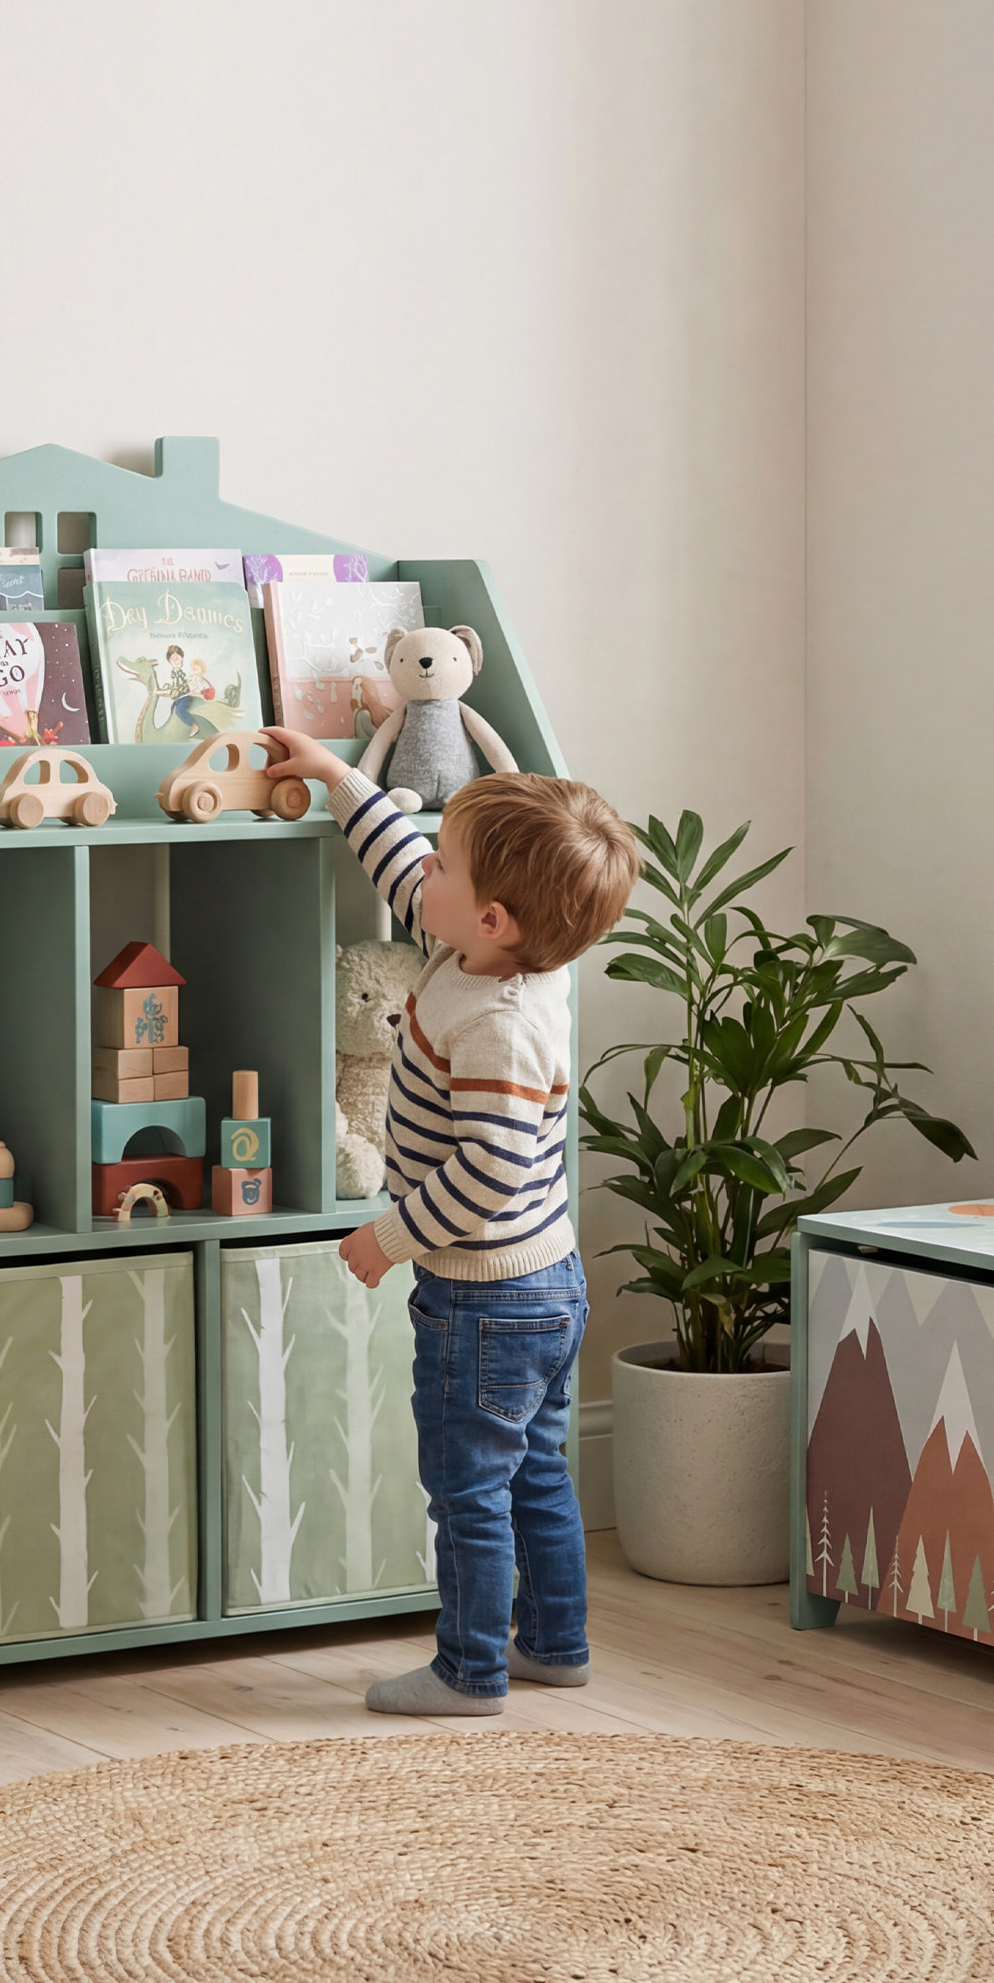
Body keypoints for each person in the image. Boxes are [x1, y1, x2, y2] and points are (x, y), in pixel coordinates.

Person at [263, 727, 641, 1714]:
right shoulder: (491, 951)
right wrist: (340, 779)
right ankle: (553, 1642)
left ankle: (468, 1666)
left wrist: (384, 1238)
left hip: (488, 1295)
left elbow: (487, 1171)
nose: (420, 865)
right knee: (534, 1472)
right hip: (543, 1284)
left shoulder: (497, 1023)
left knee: (469, 1484)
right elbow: (403, 867)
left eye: (445, 860)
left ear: (488, 913)